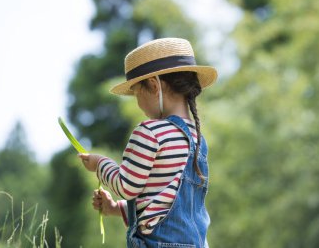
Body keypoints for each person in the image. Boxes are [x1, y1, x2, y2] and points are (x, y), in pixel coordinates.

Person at [79, 37, 217, 248]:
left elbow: (126, 186)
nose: (137, 102)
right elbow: (165, 199)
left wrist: (99, 164)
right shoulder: (198, 139)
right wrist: (116, 208)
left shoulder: (150, 132)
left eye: (136, 93)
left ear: (153, 86)